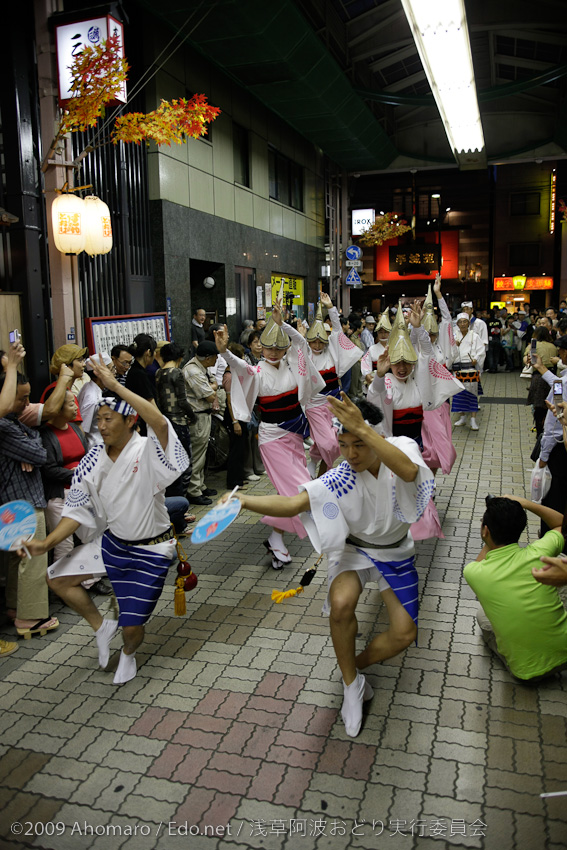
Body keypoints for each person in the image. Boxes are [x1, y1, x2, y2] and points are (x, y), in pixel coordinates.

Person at [226, 394, 434, 736]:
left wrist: (363, 430)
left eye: (358, 444)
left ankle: (353, 665)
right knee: (340, 605)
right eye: (342, 444)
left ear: (374, 437)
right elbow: (293, 502)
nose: (350, 454)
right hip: (354, 550)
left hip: (395, 551)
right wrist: (243, 500)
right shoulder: (341, 474)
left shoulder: (401, 447)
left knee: (404, 633)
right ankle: (351, 686)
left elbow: (410, 472)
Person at [23, 357, 190, 684]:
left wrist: (114, 386)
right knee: (57, 578)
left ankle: (128, 652)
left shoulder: (146, 451)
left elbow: (159, 423)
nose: (101, 424)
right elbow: (76, 511)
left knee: (132, 629)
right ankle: (102, 626)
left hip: (150, 551)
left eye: (109, 418)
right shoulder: (93, 460)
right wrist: (44, 543)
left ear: (130, 421)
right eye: (98, 418)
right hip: (113, 544)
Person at [214, 301, 325, 569]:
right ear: (259, 347)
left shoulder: (292, 365)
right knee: (297, 491)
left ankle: (276, 538)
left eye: (279, 347)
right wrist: (225, 351)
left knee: (294, 493)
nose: (274, 351)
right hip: (272, 438)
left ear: (285, 349)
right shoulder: (257, 372)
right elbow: (240, 367)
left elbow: (301, 344)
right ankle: (277, 539)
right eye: (269, 347)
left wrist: (282, 322)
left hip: (295, 435)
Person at [464, 495, 567, 681]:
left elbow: (482, 558)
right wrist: (526, 503)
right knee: (559, 570)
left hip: (527, 673)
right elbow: (562, 524)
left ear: (485, 531)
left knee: (482, 617)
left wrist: (489, 536)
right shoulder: (539, 552)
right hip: (565, 652)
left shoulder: (474, 572)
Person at [0, 371, 59, 640]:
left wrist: (29, 448)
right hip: (23, 499)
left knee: (16, 559)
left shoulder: (12, 423)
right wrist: (31, 449)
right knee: (32, 559)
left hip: (12, 499)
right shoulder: (5, 426)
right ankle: (31, 617)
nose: (27, 404)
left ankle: (15, 607)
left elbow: (33, 452)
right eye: (21, 398)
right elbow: (40, 454)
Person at [285, 293, 362, 479]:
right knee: (330, 444)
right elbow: (297, 342)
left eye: (321, 341)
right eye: (314, 341)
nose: (317, 344)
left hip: (335, 403)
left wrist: (331, 307)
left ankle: (316, 464)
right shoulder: (306, 353)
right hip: (314, 405)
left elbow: (337, 330)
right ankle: (317, 464)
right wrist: (284, 324)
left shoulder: (332, 351)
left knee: (336, 439)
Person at [41, 390, 88, 560]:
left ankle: (88, 582)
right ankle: (60, 583)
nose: (76, 407)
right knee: (64, 544)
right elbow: (49, 470)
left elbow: (87, 456)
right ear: (58, 409)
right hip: (59, 496)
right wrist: (77, 474)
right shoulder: (45, 433)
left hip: (81, 492)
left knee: (87, 538)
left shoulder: (75, 428)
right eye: (71, 404)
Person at [182, 340, 219, 506]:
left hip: (204, 414)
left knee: (202, 453)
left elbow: (214, 384)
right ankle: (193, 491)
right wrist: (212, 387)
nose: (217, 359)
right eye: (215, 356)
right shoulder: (192, 371)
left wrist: (212, 387)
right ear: (208, 358)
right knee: (197, 455)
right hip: (196, 417)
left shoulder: (202, 367)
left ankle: (201, 485)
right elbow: (210, 396)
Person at [451, 313, 486, 430]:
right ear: (457, 324)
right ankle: (462, 417)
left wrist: (476, 358)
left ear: (468, 323)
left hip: (470, 368)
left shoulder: (474, 336)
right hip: (458, 369)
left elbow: (481, 351)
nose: (462, 324)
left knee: (472, 394)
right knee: (458, 394)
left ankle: (473, 419)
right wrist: (454, 346)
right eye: (460, 322)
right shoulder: (453, 336)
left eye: (464, 321)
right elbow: (448, 352)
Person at [524, 327, 557, 437]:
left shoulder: (533, 346)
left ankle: (539, 431)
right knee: (550, 405)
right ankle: (548, 428)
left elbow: (526, 359)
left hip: (538, 376)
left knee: (538, 406)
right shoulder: (553, 346)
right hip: (552, 375)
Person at [78, 352, 113, 449]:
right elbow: (83, 430)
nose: (114, 373)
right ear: (98, 374)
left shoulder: (90, 386)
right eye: (111, 370)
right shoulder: (92, 398)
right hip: (94, 447)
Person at [125, 334, 157, 436]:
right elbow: (151, 405)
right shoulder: (139, 374)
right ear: (148, 352)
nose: (155, 354)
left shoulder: (136, 370)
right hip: (142, 426)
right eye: (154, 351)